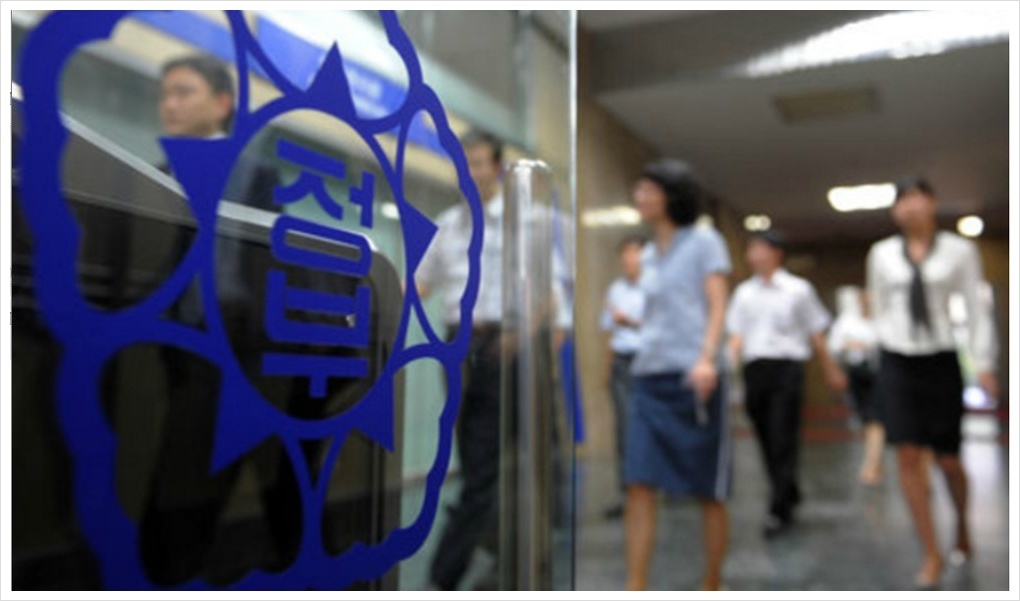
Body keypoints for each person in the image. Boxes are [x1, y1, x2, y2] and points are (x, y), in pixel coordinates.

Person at [141, 54, 297, 585]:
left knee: (270, 484)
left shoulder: (255, 174)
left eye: (184, 92)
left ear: (223, 103)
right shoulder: (156, 177)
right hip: (177, 353)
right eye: (164, 94)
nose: (169, 104)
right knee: (182, 488)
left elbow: (272, 269)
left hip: (244, 355)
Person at [866, 175, 999, 589]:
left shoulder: (959, 250)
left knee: (949, 461)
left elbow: (975, 309)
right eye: (902, 200)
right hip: (897, 360)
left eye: (917, 198)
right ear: (894, 211)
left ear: (932, 202)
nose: (910, 207)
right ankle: (931, 552)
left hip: (940, 359)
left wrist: (983, 362)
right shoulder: (882, 254)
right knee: (907, 456)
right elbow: (879, 306)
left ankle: (962, 525)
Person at [623, 159, 732, 591]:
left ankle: (712, 582)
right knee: (638, 482)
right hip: (650, 378)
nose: (640, 197)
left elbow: (717, 304)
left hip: (694, 378)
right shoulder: (649, 254)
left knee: (708, 490)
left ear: (672, 195)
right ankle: (635, 586)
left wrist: (707, 358)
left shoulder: (705, 241)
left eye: (649, 190)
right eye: (639, 189)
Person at [417, 129, 506, 591]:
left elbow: (546, 290)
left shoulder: (520, 222)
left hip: (503, 344)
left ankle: (444, 574)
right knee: (473, 457)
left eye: (478, 162)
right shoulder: (447, 224)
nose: (469, 171)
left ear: (497, 169)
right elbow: (421, 284)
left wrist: (524, 338)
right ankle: (494, 547)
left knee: (488, 461)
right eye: (462, 162)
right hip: (457, 345)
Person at [726, 229, 847, 539]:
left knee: (783, 435)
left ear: (777, 253)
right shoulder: (744, 293)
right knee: (765, 436)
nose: (754, 255)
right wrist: (725, 370)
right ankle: (787, 488)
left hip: (786, 369)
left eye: (760, 248)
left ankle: (778, 507)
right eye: (751, 249)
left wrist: (831, 370)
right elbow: (736, 337)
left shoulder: (798, 290)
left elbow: (816, 333)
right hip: (755, 370)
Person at [600, 235, 646, 520]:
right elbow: (612, 332)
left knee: (653, 429)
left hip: (650, 363)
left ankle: (657, 488)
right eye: (625, 254)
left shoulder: (656, 288)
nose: (629, 260)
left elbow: (663, 328)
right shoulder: (616, 289)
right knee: (624, 430)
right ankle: (627, 493)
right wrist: (608, 367)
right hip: (622, 362)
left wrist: (630, 321)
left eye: (635, 253)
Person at [827, 285, 884, 486]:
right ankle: (875, 460)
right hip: (858, 374)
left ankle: (872, 462)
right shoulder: (847, 321)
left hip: (880, 373)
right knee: (867, 417)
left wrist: (866, 345)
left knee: (874, 417)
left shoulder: (883, 320)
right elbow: (834, 346)